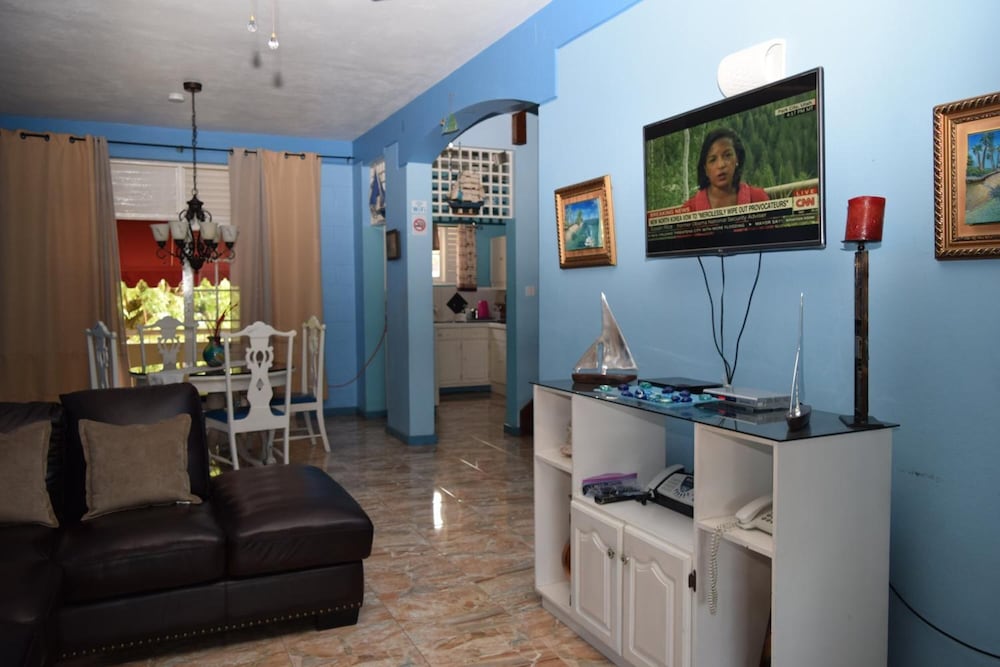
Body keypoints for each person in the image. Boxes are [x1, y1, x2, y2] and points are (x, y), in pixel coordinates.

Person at [683, 128, 769, 211]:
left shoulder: (758, 198)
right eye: (712, 160)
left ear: (737, 159)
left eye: (727, 155)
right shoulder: (689, 209)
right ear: (705, 169)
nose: (721, 165)